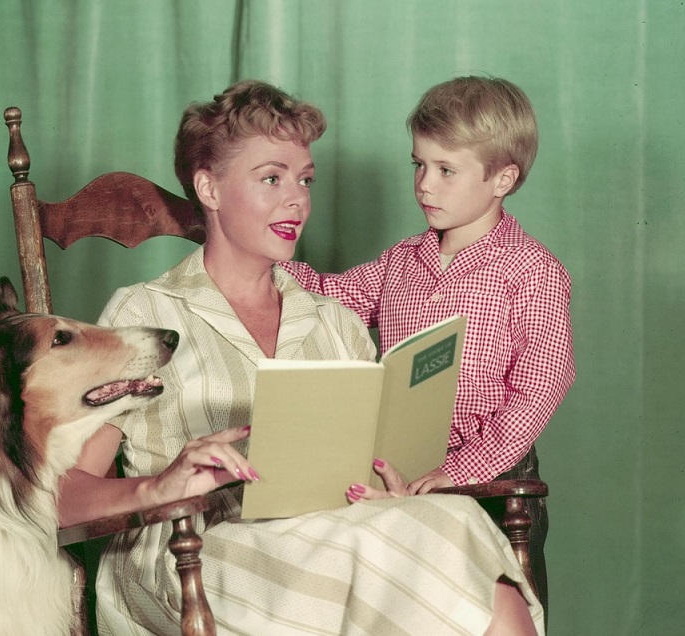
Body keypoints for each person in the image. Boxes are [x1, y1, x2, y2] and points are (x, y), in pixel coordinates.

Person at [58, 80, 544, 635]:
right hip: (193, 556)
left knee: (448, 519)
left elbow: (370, 482)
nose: (298, 200)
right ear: (209, 189)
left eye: (305, 180)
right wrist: (158, 485)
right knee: (422, 549)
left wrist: (386, 479)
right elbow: (61, 496)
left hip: (338, 544)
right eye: (272, 178)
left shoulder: (335, 322)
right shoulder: (142, 315)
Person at [284, 76, 576, 615]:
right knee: (412, 611)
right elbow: (330, 295)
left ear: (502, 179)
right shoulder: (402, 260)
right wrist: (258, 251)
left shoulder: (531, 270)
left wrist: (464, 471)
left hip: (495, 484)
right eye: (418, 165)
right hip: (403, 475)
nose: (425, 185)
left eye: (446, 170)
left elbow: (540, 386)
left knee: (494, 611)